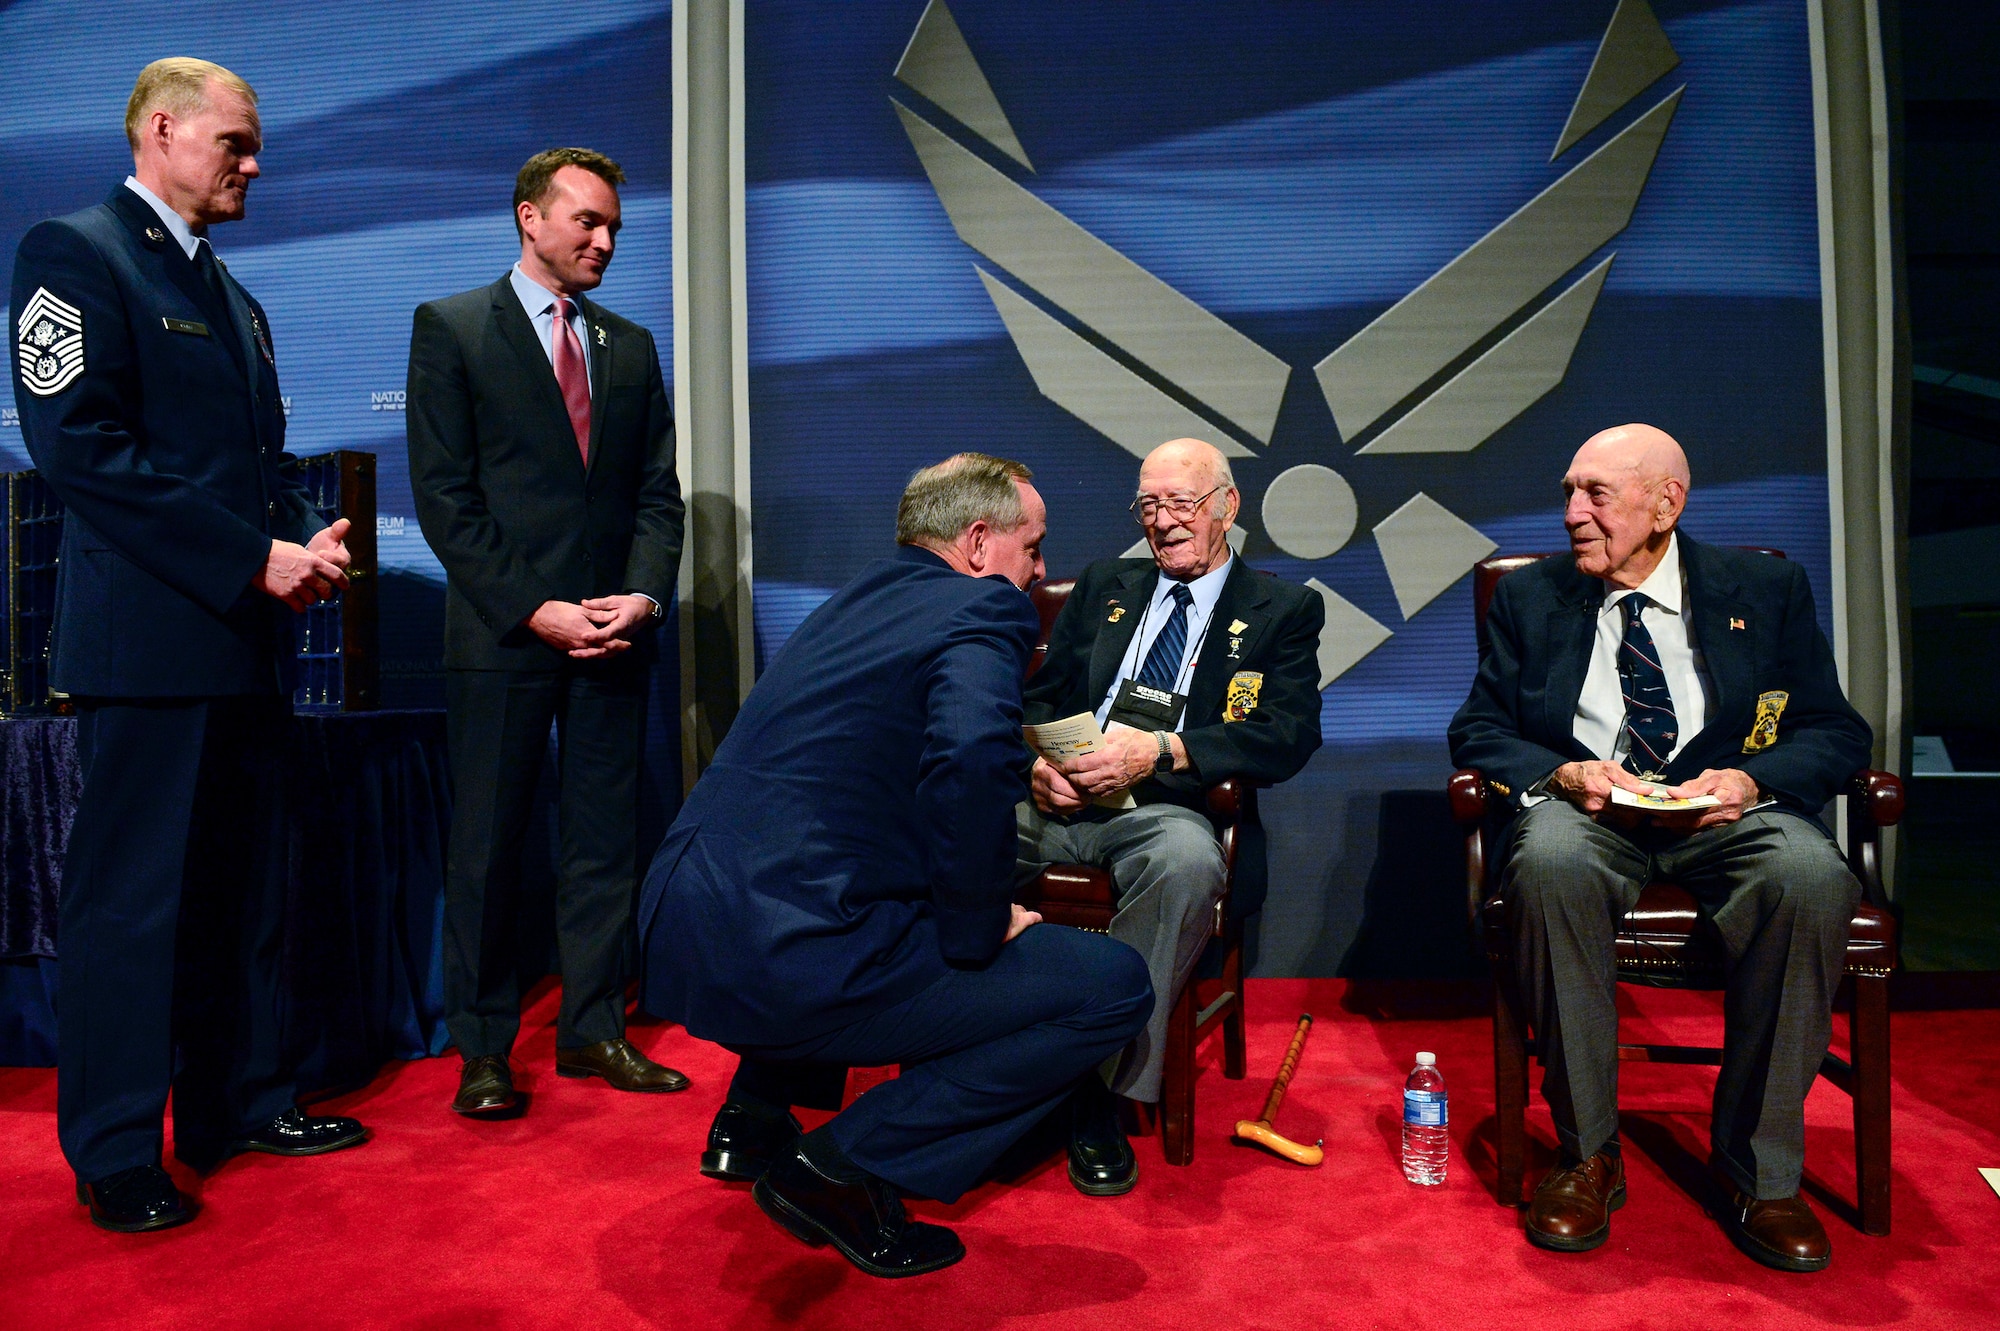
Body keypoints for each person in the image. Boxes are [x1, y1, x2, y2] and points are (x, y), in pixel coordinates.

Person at [637, 454, 1153, 1278]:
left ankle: (750, 1119)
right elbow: (971, 763)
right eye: (1034, 546)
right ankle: (840, 1167)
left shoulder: (859, 599)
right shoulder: (985, 607)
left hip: (684, 926)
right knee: (1113, 985)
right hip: (797, 952)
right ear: (979, 542)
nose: (1043, 569)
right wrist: (983, 924)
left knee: (868, 901)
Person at [9, 58, 368, 1233]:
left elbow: (239, 472)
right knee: (133, 907)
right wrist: (248, 555)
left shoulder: (237, 298)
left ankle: (242, 1099)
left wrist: (294, 547)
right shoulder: (74, 254)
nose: (255, 165)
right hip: (149, 650)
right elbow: (84, 452)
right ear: (160, 130)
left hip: (243, 643)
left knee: (243, 890)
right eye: (237, 143)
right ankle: (115, 1146)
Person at [1448, 423, 1871, 1273]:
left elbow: (1835, 728)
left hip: (1725, 813)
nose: (1571, 513)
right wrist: (1565, 772)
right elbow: (1479, 729)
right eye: (1568, 491)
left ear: (1665, 504)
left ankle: (1761, 1172)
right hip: (1595, 814)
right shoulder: (1532, 598)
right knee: (1553, 862)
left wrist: (1750, 782)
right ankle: (1588, 1153)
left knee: (1809, 874)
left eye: (1594, 494)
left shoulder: (1765, 586)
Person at [406, 148, 686, 1117]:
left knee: (605, 841)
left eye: (614, 227)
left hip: (611, 637)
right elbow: (446, 501)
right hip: (504, 636)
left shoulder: (633, 346)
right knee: (486, 844)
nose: (605, 241)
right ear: (530, 217)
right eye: (587, 222)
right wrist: (535, 607)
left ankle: (593, 1027)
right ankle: (483, 1046)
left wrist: (643, 595)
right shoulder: (449, 328)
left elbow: (658, 497)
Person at [1017, 437, 1324, 1194]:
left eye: (1181, 503)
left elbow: (1287, 734)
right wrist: (1035, 764)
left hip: (1164, 809)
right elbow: (1038, 699)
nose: (1163, 522)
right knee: (940, 822)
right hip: (1061, 797)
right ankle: (956, 1046)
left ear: (1227, 506)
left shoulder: (1281, 607)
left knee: (1187, 863)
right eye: (1148, 505)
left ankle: (1100, 1088)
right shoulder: (1104, 585)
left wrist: (1164, 750)